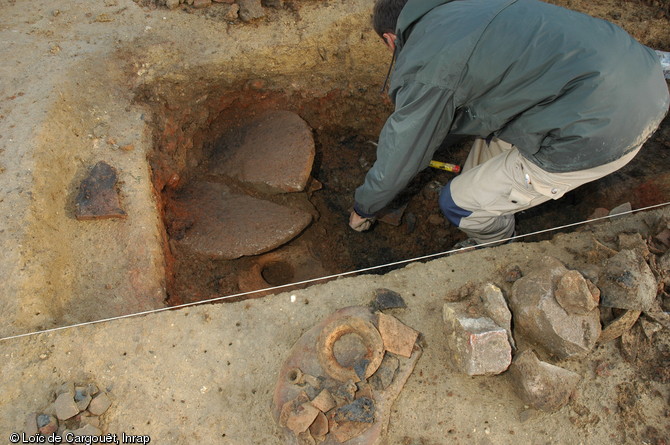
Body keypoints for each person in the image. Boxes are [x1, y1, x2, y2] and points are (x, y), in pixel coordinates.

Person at [348, 0, 670, 248]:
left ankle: (496, 248)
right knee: (483, 151)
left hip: (603, 134)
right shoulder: (473, 7)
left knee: (457, 205)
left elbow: (401, 155)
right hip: (643, 77)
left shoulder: (427, 64)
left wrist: (365, 206)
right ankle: (492, 194)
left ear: (392, 39)